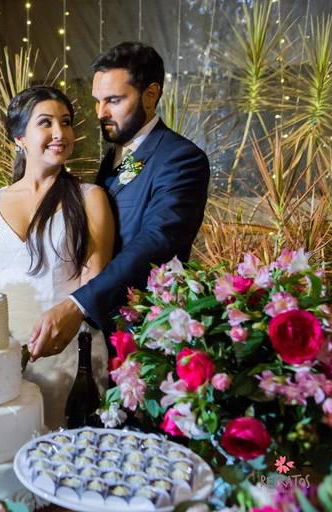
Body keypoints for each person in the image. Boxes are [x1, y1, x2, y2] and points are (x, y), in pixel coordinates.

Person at [28, 42, 211, 367]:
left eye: (113, 100)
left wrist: (79, 304)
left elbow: (157, 242)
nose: (101, 113)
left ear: (151, 95)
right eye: (98, 101)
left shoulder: (181, 159)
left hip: (142, 335)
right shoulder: (113, 157)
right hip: (99, 335)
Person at [0, 86, 115, 429]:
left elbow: (94, 280)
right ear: (19, 137)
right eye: (46, 123)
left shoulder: (90, 198)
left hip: (67, 353)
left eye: (66, 123)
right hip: (2, 356)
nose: (60, 133)